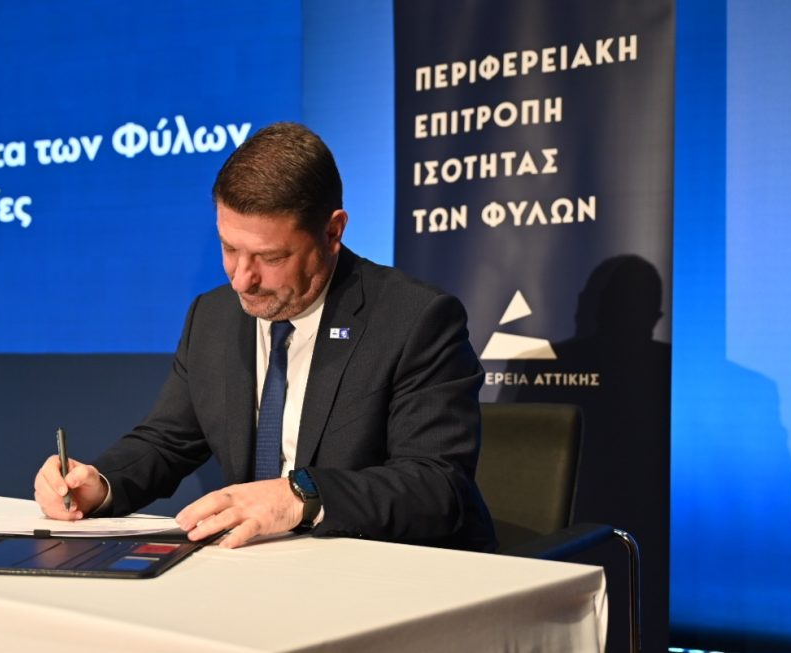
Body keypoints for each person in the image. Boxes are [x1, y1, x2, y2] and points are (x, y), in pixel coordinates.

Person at [34, 122, 496, 552]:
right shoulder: (212, 316)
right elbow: (167, 441)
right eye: (229, 248)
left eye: (270, 258)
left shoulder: (414, 319)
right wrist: (99, 484)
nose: (241, 279)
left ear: (332, 232)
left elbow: (437, 486)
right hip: (258, 569)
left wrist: (299, 496)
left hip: (386, 574)